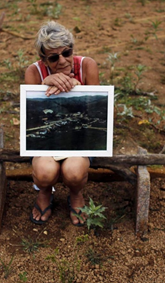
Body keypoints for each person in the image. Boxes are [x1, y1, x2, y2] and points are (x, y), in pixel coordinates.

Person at [24, 21, 99, 226]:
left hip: (80, 138)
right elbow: (32, 118)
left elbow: (99, 113)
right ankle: (44, 192)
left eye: (67, 52)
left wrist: (78, 92)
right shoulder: (34, 72)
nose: (63, 60)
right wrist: (43, 86)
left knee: (73, 172)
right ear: (43, 59)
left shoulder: (87, 66)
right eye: (54, 57)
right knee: (44, 172)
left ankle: (76, 194)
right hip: (46, 139)